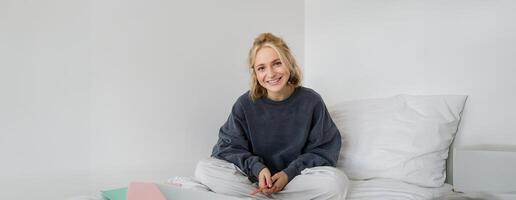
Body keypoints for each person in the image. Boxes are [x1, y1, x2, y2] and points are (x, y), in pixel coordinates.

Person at [193, 33, 349, 200]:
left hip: (295, 180)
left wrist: (288, 173)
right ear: (255, 73)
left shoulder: (311, 101)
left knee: (337, 183)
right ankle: (263, 195)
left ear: (289, 62)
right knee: (204, 169)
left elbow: (324, 150)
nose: (271, 73)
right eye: (262, 68)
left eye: (277, 63)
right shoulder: (244, 104)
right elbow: (227, 147)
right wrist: (258, 169)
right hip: (254, 181)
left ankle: (260, 198)